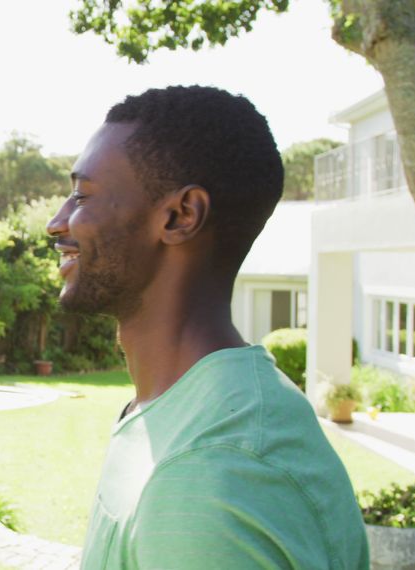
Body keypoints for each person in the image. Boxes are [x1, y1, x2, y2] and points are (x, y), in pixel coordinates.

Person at [48, 86, 367, 569]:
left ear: (180, 216)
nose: (57, 223)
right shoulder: (179, 410)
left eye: (82, 195)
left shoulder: (211, 472)